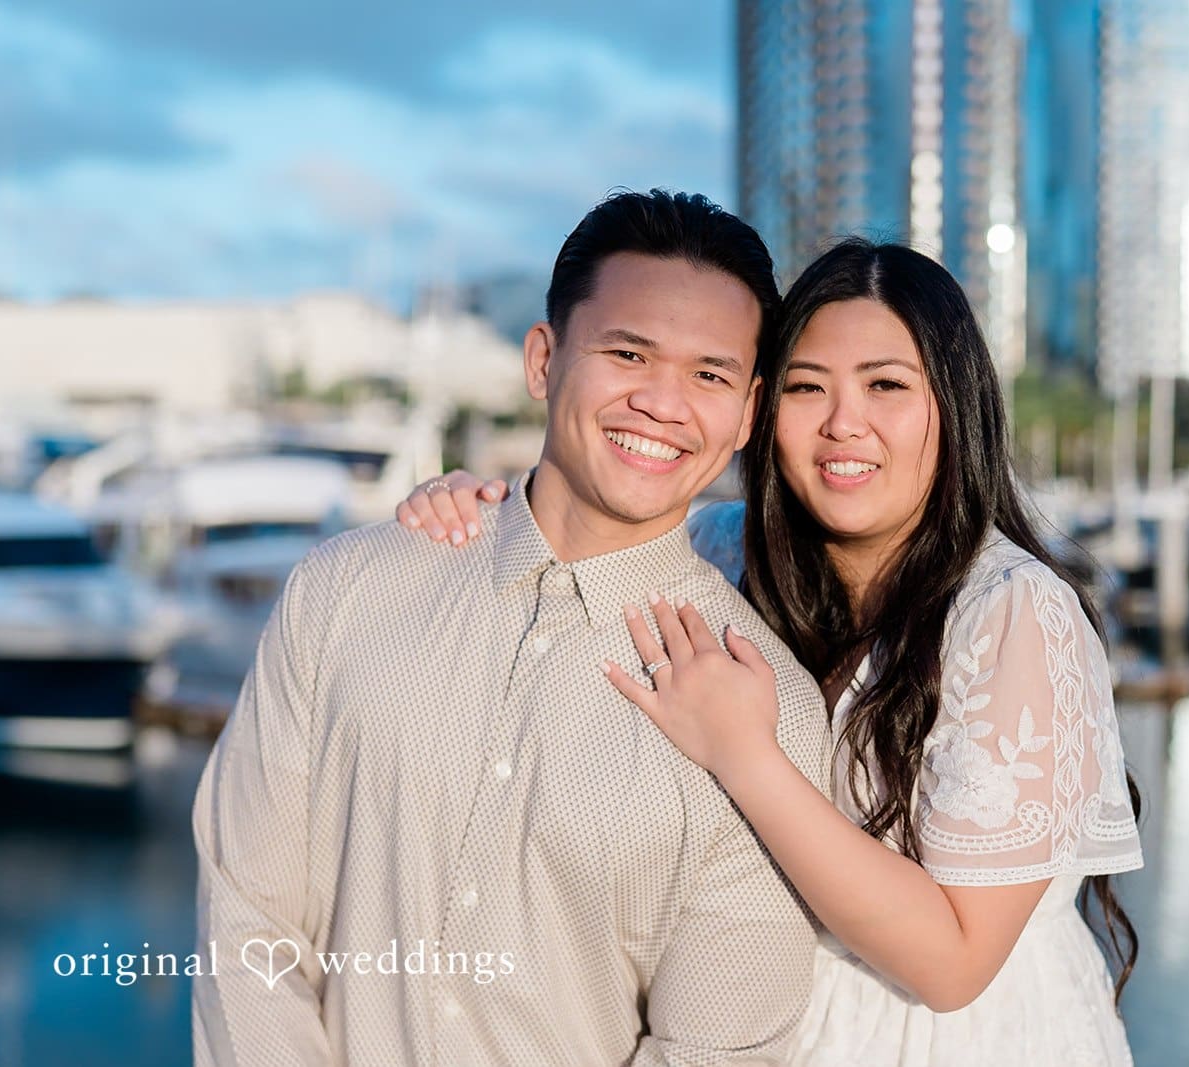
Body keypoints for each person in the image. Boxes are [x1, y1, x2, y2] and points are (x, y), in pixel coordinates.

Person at [398, 238, 1145, 1064]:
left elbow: (953, 963)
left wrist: (745, 754)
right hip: (758, 1028)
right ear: (764, 411)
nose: (842, 423)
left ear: (956, 405)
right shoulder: (725, 552)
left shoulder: (1011, 612)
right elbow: (578, 551)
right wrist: (477, 509)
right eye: (806, 387)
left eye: (886, 385)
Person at [192, 189, 833, 1066]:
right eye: (628, 353)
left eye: (709, 376)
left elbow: (716, 1050)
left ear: (749, 414)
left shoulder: (771, 714)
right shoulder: (344, 592)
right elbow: (246, 920)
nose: (662, 402)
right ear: (543, 359)